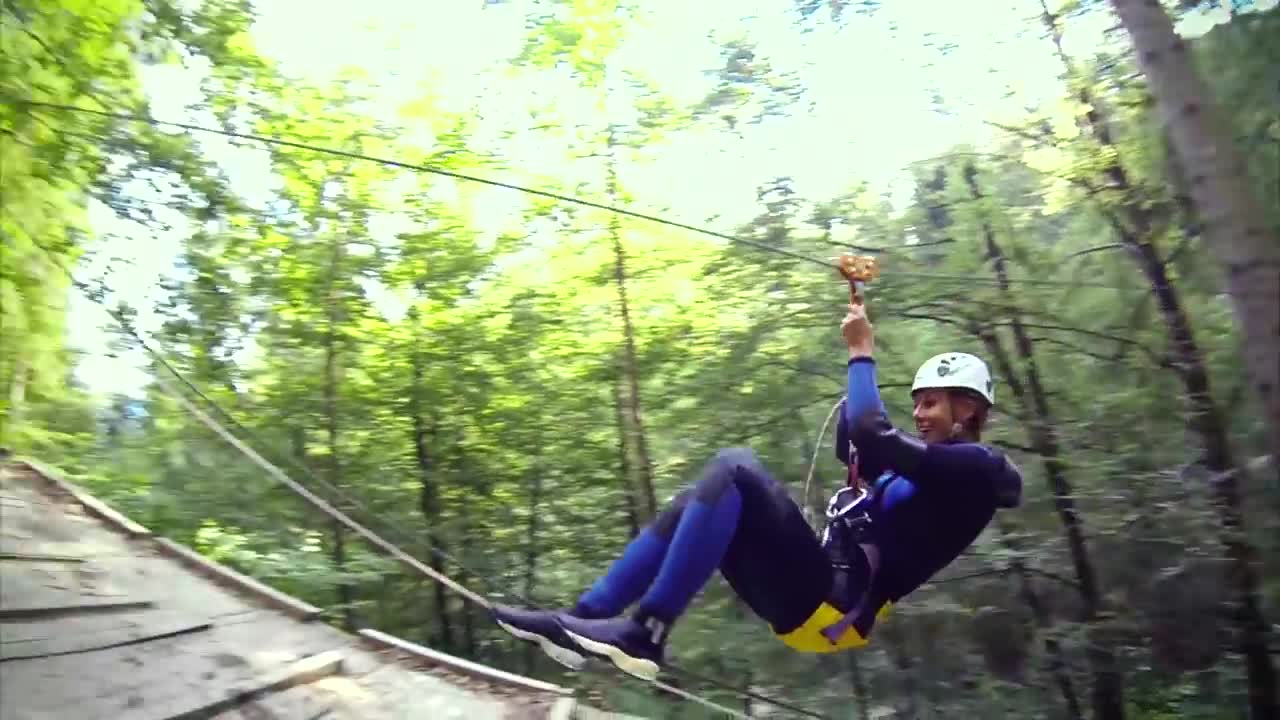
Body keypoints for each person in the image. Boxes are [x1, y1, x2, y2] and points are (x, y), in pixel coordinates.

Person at [491, 296, 1023, 681]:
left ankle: (645, 633)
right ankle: (581, 622)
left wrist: (861, 353)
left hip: (833, 607)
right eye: (917, 402)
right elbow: (857, 442)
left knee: (736, 469)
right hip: (813, 600)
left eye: (931, 403)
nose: (919, 413)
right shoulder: (925, 470)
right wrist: (856, 372)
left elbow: (870, 433)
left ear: (968, 409)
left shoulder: (976, 470)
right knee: (701, 497)